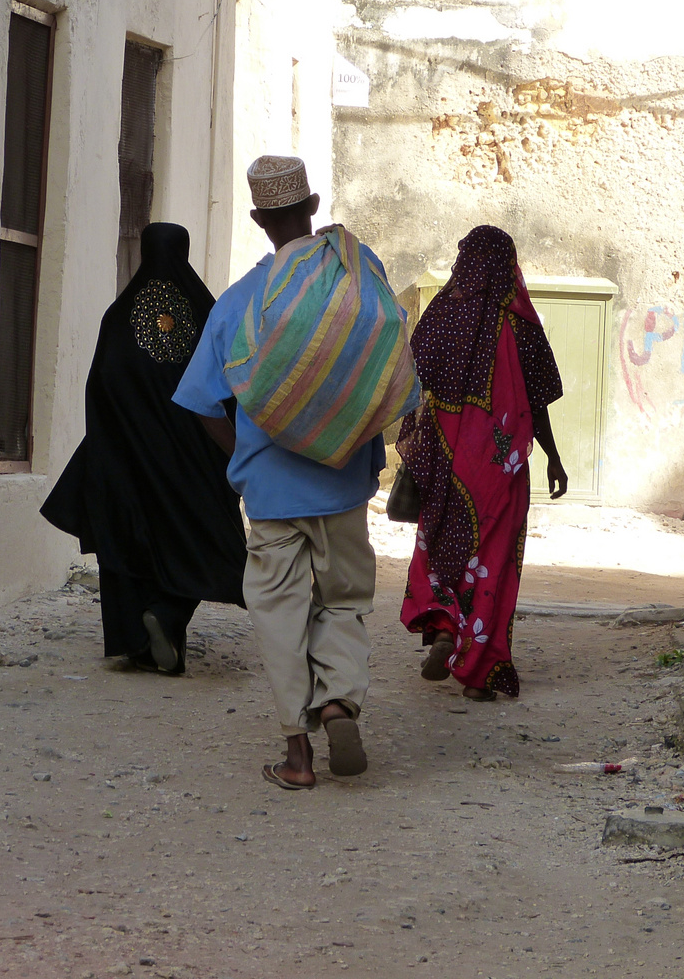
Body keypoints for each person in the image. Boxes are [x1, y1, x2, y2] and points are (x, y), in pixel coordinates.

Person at [174, 155, 411, 790]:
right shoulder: (358, 273)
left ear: (258, 219)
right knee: (343, 601)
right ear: (311, 206)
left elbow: (198, 402)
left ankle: (298, 756)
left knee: (279, 612)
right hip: (342, 483)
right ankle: (338, 699)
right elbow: (388, 358)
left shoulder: (237, 303)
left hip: (271, 494)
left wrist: (245, 455)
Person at [41, 222, 246, 675]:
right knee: (200, 535)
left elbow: (100, 386)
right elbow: (231, 382)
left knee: (128, 540)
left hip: (127, 457)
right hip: (190, 460)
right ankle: (169, 617)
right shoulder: (207, 312)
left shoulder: (117, 317)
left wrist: (111, 445)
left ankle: (134, 641)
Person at [396, 225, 567, 701]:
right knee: (492, 561)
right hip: (501, 468)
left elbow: (409, 385)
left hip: (447, 463)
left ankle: (446, 626)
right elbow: (539, 402)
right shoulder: (520, 326)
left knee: (441, 547)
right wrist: (553, 457)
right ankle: (480, 671)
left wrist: (419, 450)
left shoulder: (440, 313)